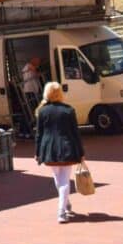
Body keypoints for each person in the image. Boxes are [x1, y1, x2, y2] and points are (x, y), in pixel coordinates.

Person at [35, 81, 85, 224]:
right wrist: (81, 152)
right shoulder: (68, 110)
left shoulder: (42, 111)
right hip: (66, 148)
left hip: (49, 149)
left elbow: (39, 134)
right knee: (64, 180)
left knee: (58, 180)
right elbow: (76, 133)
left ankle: (65, 205)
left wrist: (37, 152)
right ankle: (62, 210)